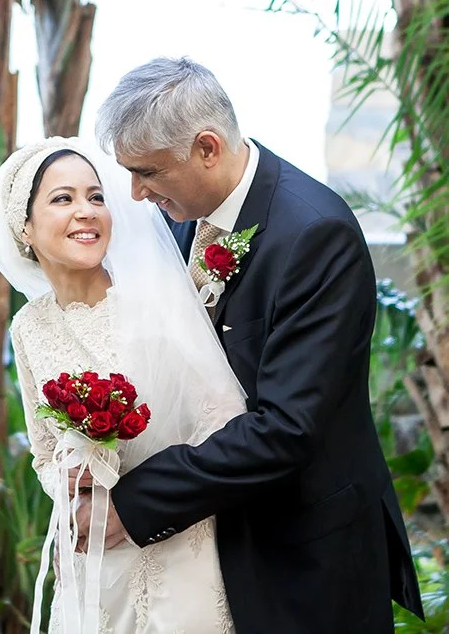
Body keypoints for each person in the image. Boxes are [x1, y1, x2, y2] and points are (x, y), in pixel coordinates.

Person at [76, 56, 423, 634]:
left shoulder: (315, 234)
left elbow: (286, 426)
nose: (135, 193)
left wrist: (133, 506)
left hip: (303, 550)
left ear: (207, 149)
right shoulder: (181, 214)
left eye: (148, 172)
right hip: (212, 539)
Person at [0, 136, 247, 634]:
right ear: (25, 227)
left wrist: (135, 483)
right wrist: (71, 479)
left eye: (97, 197)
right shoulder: (29, 326)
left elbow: (224, 422)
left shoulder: (153, 307)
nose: (86, 212)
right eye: (63, 199)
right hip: (91, 556)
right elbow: (44, 452)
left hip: (176, 547)